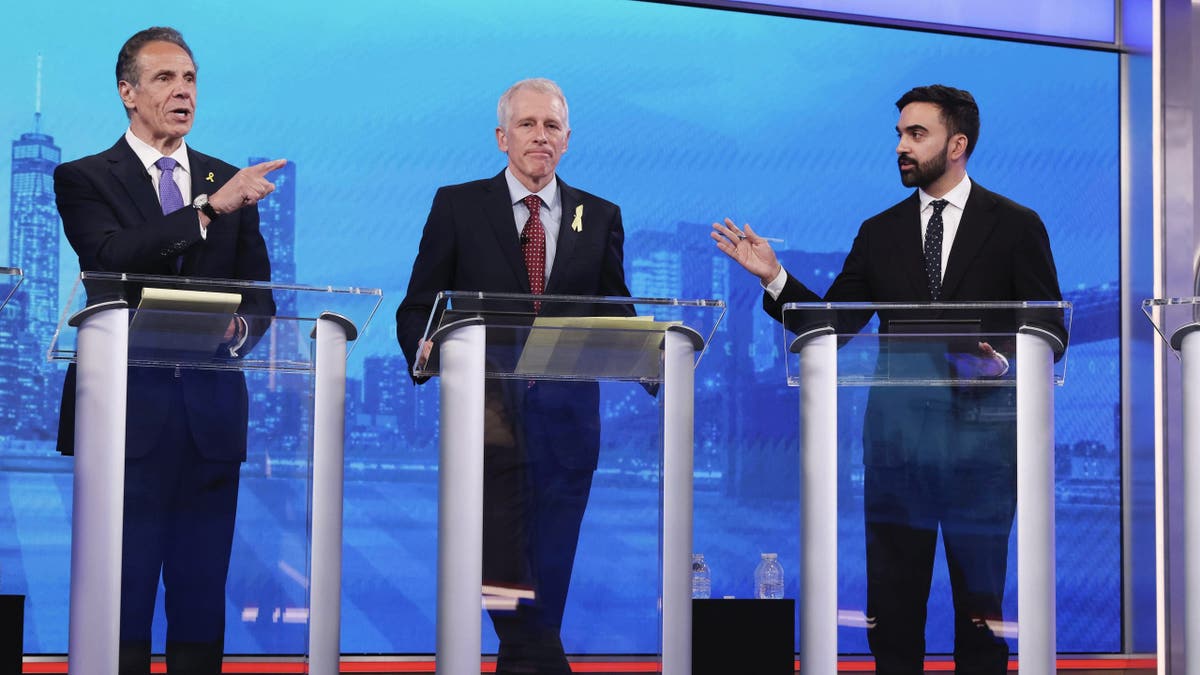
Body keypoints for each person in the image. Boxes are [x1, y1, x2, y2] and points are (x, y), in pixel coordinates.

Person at [712, 84, 1066, 675]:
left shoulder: (1015, 225)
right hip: (897, 455)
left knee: (982, 621)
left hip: (981, 454)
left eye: (916, 134)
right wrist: (775, 278)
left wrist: (1002, 360)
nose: (901, 146)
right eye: (899, 134)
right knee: (893, 620)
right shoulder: (879, 232)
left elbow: (1051, 325)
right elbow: (833, 327)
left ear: (958, 144)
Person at [53, 26, 283, 675]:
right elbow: (108, 257)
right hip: (123, 422)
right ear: (128, 93)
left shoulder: (225, 177)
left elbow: (258, 297)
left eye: (190, 79)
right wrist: (208, 209)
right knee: (120, 605)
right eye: (164, 79)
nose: (182, 92)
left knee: (200, 604)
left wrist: (240, 329)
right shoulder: (84, 178)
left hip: (210, 423)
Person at [396, 77, 632, 674]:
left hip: (568, 434)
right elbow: (418, 305)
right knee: (507, 590)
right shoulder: (458, 205)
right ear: (502, 137)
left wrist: (656, 359)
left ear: (568, 140)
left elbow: (616, 313)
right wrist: (423, 347)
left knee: (544, 596)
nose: (540, 136)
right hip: (488, 427)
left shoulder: (599, 216)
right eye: (527, 125)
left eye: (552, 126)